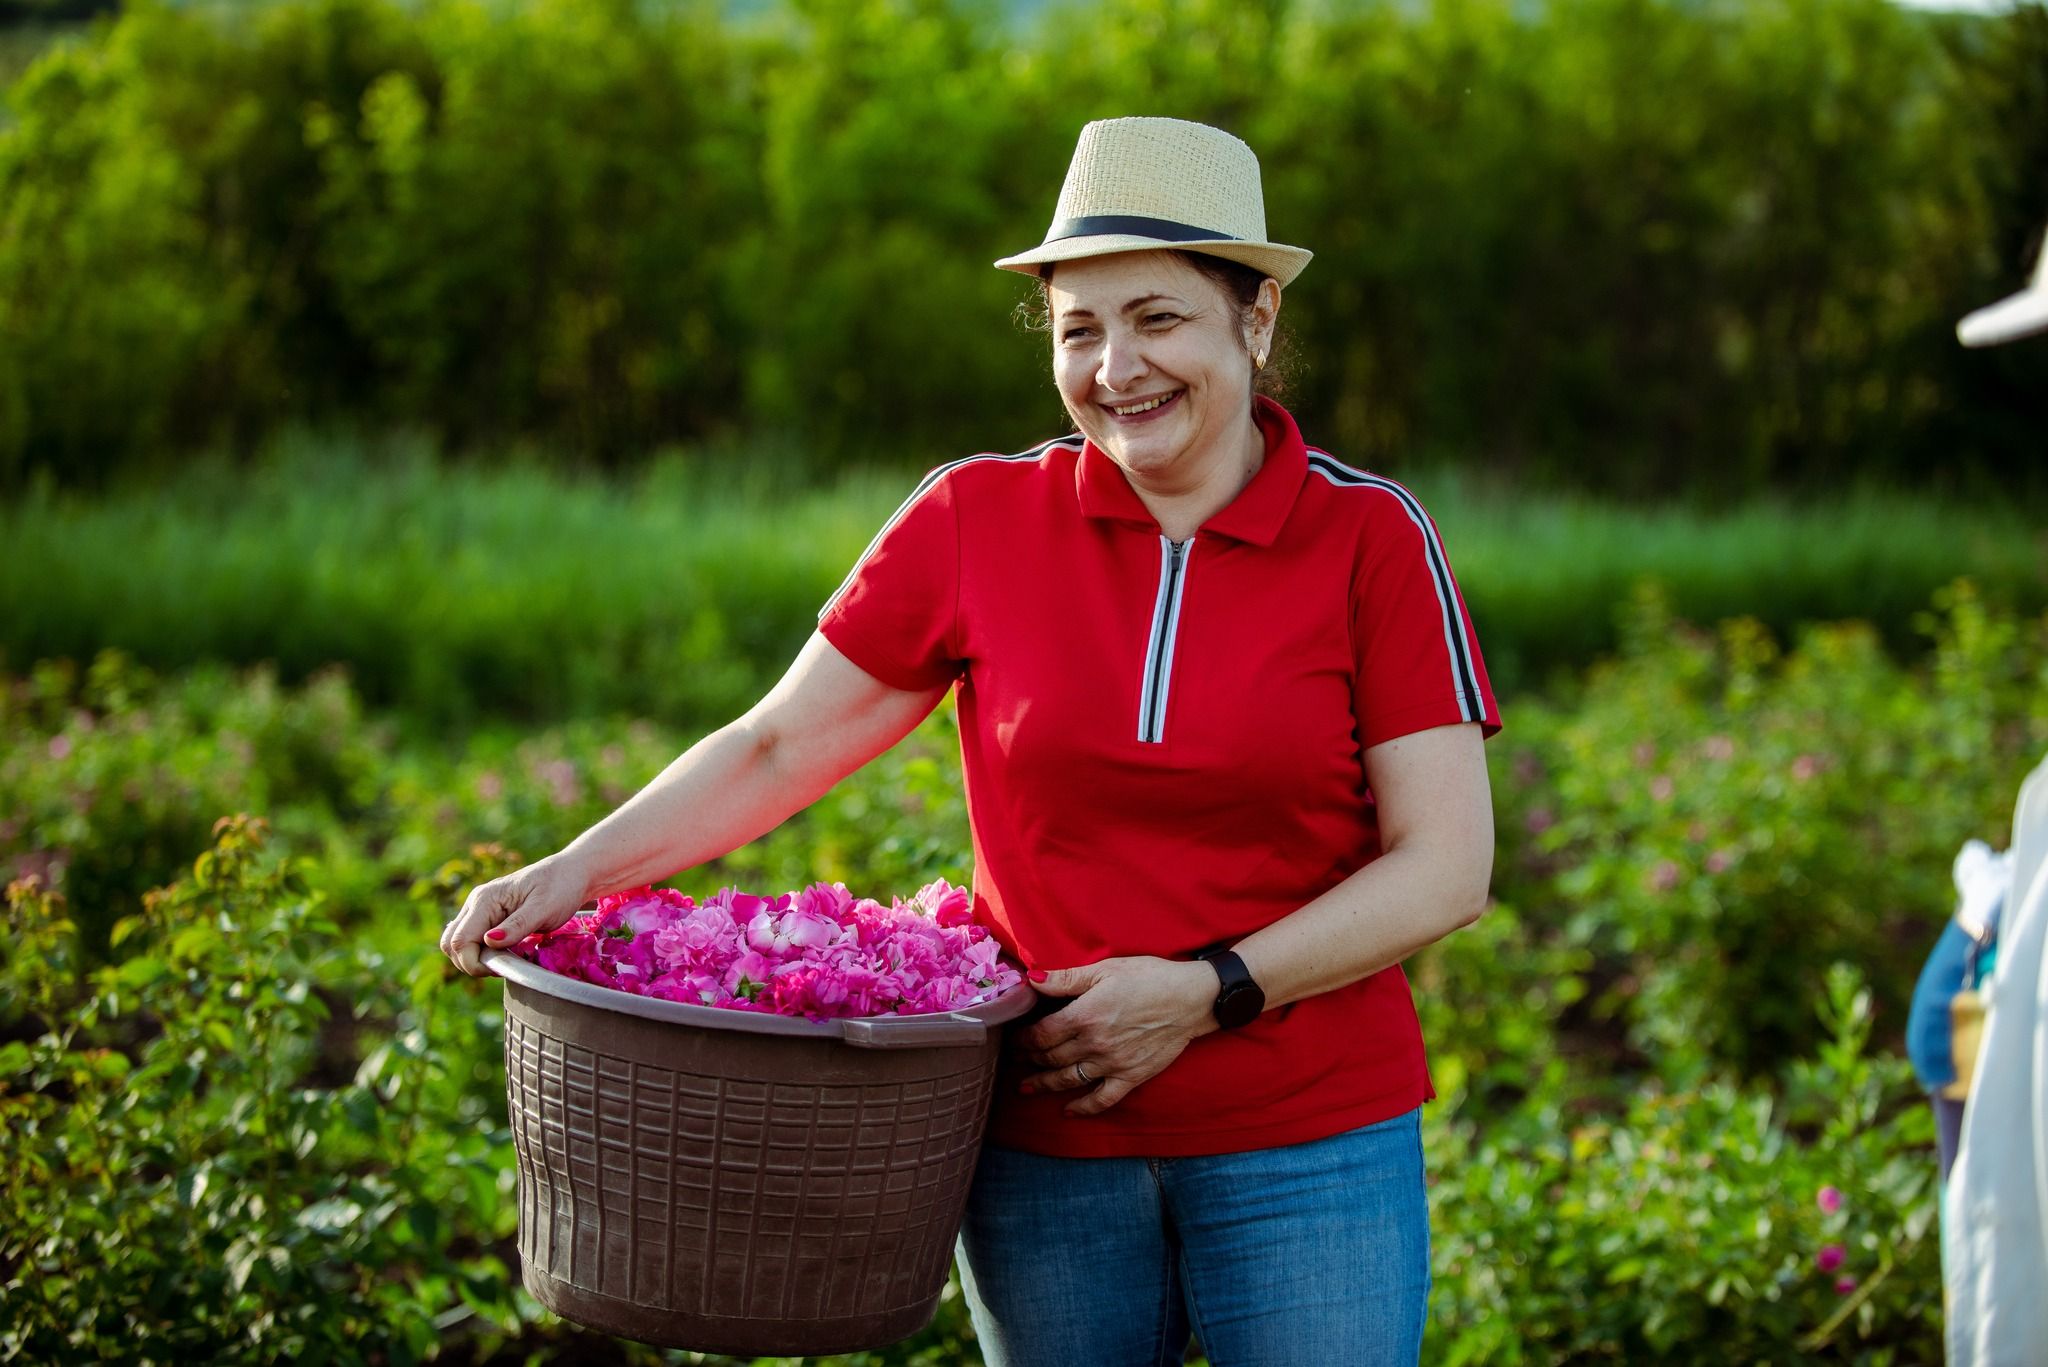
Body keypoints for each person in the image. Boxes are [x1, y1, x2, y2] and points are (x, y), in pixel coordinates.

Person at [441, 116, 1501, 1367]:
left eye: (1157, 317)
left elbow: (1443, 864)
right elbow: (780, 746)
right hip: (1042, 1147)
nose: (1116, 367)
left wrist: (1207, 990)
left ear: (1254, 319)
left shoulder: (1369, 539)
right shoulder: (974, 518)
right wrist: (572, 874)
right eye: (1077, 328)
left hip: (1306, 1145)